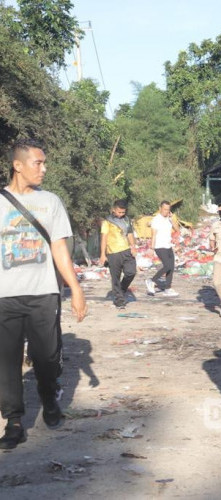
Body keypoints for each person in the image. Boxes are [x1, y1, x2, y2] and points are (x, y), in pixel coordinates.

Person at [0, 139, 87, 450]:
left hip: (43, 293)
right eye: (38, 163)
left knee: (47, 356)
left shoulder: (50, 202)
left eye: (44, 162)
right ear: (18, 165)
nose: (44, 168)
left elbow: (59, 249)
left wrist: (75, 289)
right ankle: (14, 421)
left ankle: (49, 398)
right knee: (6, 361)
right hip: (4, 296)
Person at [98, 199, 136, 309]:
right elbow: (104, 238)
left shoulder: (126, 220)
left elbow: (129, 234)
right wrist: (102, 254)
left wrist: (133, 247)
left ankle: (122, 289)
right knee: (115, 278)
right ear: (113, 210)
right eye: (119, 212)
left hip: (126, 251)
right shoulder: (107, 222)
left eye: (123, 212)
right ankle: (119, 300)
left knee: (131, 272)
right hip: (113, 253)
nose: (121, 214)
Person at [145, 200, 179, 297]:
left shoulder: (169, 219)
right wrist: (151, 248)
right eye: (164, 209)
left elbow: (177, 229)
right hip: (159, 246)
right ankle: (151, 280)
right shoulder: (156, 220)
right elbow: (154, 235)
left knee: (171, 267)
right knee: (167, 266)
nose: (166, 211)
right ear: (160, 208)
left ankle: (168, 288)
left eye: (168, 210)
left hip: (168, 245)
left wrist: (172, 219)